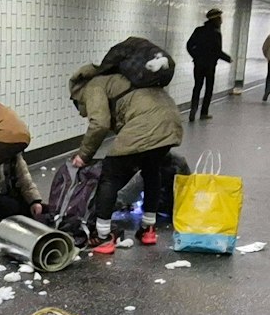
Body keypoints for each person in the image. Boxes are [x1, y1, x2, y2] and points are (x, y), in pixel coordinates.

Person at [69, 37, 185, 255]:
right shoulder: (121, 80)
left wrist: (83, 156)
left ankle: (102, 237)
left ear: (78, 92)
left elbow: (99, 123)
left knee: (110, 176)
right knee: (152, 171)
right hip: (171, 121)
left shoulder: (94, 86)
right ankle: (148, 229)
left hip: (146, 124)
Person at [184, 9, 231, 120]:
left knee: (197, 87)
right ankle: (204, 113)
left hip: (198, 64)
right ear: (216, 19)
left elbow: (189, 45)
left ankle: (193, 109)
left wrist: (195, 56)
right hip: (210, 65)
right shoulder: (216, 33)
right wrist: (228, 59)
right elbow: (217, 51)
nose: (221, 21)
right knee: (208, 88)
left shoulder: (198, 30)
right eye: (220, 18)